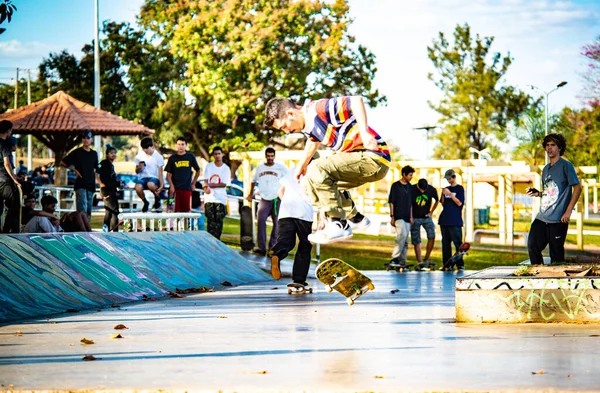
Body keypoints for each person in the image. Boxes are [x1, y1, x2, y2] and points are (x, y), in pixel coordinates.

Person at [264, 96, 390, 244]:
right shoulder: (308, 127)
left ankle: (339, 223)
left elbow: (356, 101)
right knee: (306, 183)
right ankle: (356, 218)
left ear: (290, 114)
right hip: (359, 162)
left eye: (284, 126)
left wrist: (364, 133)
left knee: (317, 168)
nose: (286, 132)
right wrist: (302, 166)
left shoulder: (318, 109)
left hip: (372, 156)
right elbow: (313, 141)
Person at [526, 133, 581, 265]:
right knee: (532, 245)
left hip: (558, 219)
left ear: (560, 148)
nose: (549, 148)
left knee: (556, 255)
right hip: (542, 216)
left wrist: (568, 212)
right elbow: (551, 192)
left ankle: (557, 283)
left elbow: (578, 188)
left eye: (553, 145)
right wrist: (539, 193)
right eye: (547, 145)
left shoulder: (566, 166)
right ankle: (537, 277)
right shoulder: (545, 169)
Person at [269, 168, 315, 284]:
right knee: (304, 245)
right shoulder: (315, 171)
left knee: (286, 241)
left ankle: (276, 253)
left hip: (286, 212)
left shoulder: (292, 170)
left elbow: (280, 192)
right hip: (304, 214)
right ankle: (299, 280)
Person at [246, 147, 288, 255]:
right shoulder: (260, 168)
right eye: (268, 156)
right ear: (265, 156)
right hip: (264, 199)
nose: (270, 158)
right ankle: (261, 247)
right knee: (260, 221)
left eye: (272, 156)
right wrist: (250, 194)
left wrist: (285, 194)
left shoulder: (281, 168)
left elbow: (288, 180)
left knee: (277, 224)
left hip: (276, 199)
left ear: (274, 156)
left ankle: (273, 248)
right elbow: (253, 181)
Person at [60, 130, 99, 219]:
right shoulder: (77, 152)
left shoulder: (94, 154)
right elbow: (63, 162)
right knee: (82, 210)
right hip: (80, 184)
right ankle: (82, 231)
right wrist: (74, 170)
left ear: (91, 140)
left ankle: (87, 230)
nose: (86, 140)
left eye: (88, 138)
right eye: (84, 138)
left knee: (89, 211)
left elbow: (96, 169)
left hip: (91, 185)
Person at [165, 137, 201, 213]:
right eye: (179, 144)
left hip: (186, 188)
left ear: (186, 145)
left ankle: (184, 225)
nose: (180, 146)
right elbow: (168, 174)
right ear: (176, 145)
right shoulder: (172, 158)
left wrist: (193, 183)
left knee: (186, 211)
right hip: (174, 190)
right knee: (172, 207)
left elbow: (198, 170)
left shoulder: (190, 156)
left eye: (182, 144)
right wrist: (171, 185)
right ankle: (172, 225)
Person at [438, 169, 465, 270]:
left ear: (454, 177)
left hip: (455, 220)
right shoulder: (446, 189)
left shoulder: (459, 189)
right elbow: (443, 203)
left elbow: (459, 203)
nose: (448, 181)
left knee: (457, 242)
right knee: (445, 243)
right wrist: (443, 194)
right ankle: (447, 263)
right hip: (445, 219)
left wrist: (449, 194)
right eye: (447, 179)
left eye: (450, 178)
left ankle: (460, 263)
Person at [388, 165, 414, 267]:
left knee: (406, 240)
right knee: (401, 235)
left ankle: (402, 261)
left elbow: (411, 203)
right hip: (398, 215)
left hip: (408, 216)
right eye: (410, 175)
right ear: (404, 174)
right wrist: (392, 216)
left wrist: (411, 216)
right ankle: (394, 258)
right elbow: (391, 202)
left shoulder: (410, 187)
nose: (411, 177)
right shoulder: (395, 186)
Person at [203, 146, 230, 240]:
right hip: (209, 199)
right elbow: (205, 180)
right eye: (215, 154)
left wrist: (211, 185)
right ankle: (210, 242)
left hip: (220, 199)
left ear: (222, 154)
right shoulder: (209, 166)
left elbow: (224, 184)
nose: (217, 156)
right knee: (210, 222)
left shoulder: (226, 168)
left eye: (219, 153)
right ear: (213, 155)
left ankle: (217, 242)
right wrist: (206, 188)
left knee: (218, 222)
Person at [411, 178, 439, 267]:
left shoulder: (431, 189)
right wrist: (410, 216)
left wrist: (431, 212)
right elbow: (408, 204)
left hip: (427, 217)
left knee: (432, 235)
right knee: (416, 239)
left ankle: (427, 258)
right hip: (415, 217)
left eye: (424, 190)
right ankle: (419, 261)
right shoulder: (411, 189)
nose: (423, 191)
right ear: (418, 186)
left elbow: (437, 200)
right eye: (421, 190)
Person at [0, 120, 21, 233]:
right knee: (15, 203)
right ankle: (6, 231)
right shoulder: (5, 144)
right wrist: (14, 179)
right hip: (4, 180)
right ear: (8, 131)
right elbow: (6, 163)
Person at [134, 137, 165, 212]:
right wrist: (139, 168)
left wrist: (161, 185)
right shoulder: (139, 156)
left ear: (152, 147)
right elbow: (136, 171)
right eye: (143, 148)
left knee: (150, 184)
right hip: (143, 178)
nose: (145, 150)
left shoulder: (158, 157)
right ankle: (145, 202)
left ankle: (157, 198)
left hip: (154, 178)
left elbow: (160, 172)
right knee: (138, 187)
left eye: (147, 148)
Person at [97, 145, 121, 231]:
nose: (113, 154)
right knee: (115, 212)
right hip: (106, 190)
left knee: (109, 212)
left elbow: (111, 179)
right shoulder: (104, 163)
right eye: (111, 153)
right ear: (107, 154)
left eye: (115, 153)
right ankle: (115, 232)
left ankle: (105, 230)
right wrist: (101, 184)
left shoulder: (111, 165)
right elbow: (94, 172)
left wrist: (118, 183)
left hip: (111, 190)